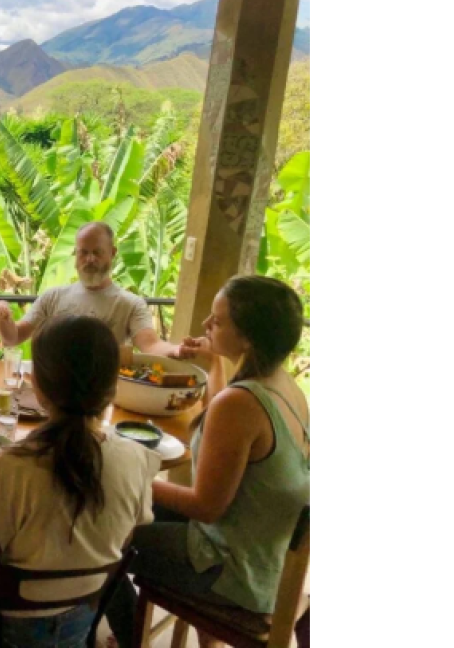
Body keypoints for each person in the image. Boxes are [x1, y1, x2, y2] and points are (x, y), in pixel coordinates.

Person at [0, 316, 160, 647]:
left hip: (4, 631)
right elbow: (121, 542)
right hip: (79, 623)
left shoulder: (6, 467)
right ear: (112, 386)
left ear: (37, 384)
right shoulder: (137, 459)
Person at [106, 276, 310, 647]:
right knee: (127, 508)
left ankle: (126, 640)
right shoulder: (285, 388)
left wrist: (132, 476)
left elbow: (206, 506)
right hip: (264, 556)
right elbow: (227, 426)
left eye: (217, 320)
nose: (205, 325)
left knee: (104, 535)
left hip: (230, 571)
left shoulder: (241, 403)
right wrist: (215, 361)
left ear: (247, 338)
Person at [0, 222, 181, 362]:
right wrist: (4, 317)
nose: (90, 259)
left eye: (97, 252)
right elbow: (13, 338)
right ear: (76, 254)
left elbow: (151, 346)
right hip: (55, 392)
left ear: (112, 253)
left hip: (103, 396)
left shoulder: (130, 304)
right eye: (83, 252)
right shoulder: (52, 297)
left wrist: (176, 350)